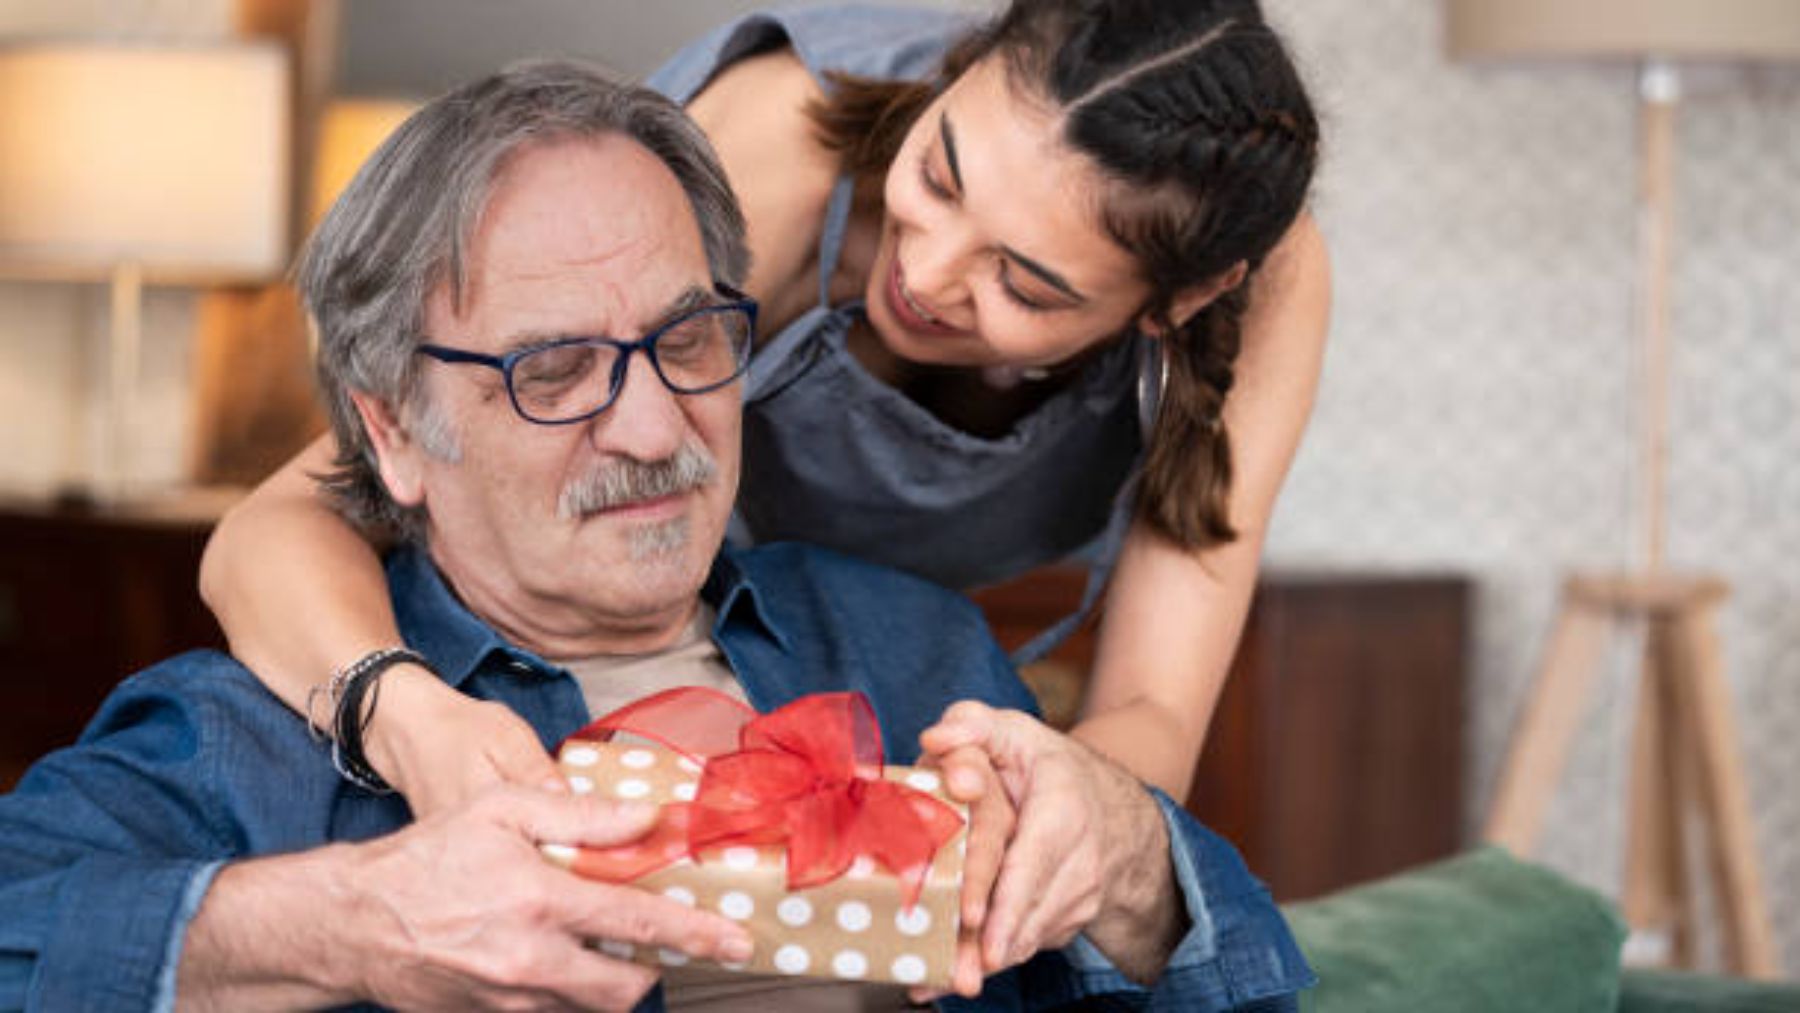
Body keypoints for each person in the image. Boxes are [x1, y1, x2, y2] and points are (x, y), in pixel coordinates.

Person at [0, 61, 1311, 1011]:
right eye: (556, 368)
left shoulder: (912, 646)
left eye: (688, 339)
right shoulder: (247, 730)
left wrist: (1132, 860)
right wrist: (350, 922)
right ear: (391, 429)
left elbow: (1243, 972)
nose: (651, 425)